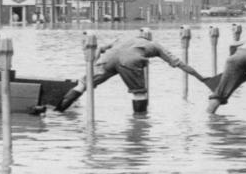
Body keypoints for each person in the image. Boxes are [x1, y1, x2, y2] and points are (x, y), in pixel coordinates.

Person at [39, 33, 205, 116]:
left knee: (83, 84)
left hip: (108, 58)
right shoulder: (155, 45)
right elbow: (180, 64)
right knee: (139, 93)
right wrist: (201, 77)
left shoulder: (122, 38)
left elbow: (100, 48)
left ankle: (58, 112)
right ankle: (139, 122)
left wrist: (94, 64)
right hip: (130, 61)